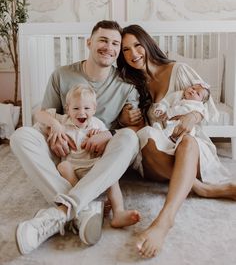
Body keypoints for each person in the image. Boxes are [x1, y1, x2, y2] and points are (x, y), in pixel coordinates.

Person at [10, 20, 142, 255]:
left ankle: (60, 213)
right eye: (103, 40)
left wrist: (108, 133)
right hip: (66, 150)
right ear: (89, 42)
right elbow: (43, 115)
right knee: (21, 136)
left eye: (115, 43)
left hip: (99, 157)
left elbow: (136, 128)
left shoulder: (126, 86)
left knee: (130, 140)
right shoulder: (62, 74)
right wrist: (54, 130)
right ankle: (81, 208)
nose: (109, 47)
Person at [117, 24, 236, 259]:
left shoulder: (179, 70)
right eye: (126, 50)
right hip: (158, 154)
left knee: (188, 143)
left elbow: (206, 101)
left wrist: (193, 115)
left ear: (148, 44)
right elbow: (125, 122)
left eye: (137, 45)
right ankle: (203, 189)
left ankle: (164, 220)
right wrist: (123, 117)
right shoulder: (131, 84)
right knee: (145, 138)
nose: (133, 54)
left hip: (187, 149)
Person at [35, 83, 141, 236]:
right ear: (67, 108)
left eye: (87, 108)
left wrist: (101, 138)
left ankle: (118, 212)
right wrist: (55, 125)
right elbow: (40, 114)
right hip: (73, 169)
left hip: (94, 168)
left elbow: (109, 149)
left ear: (94, 108)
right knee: (63, 166)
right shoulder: (64, 121)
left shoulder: (98, 125)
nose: (81, 113)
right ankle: (88, 204)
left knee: (112, 177)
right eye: (76, 108)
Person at [152, 81, 210, 146]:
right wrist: (161, 108)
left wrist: (169, 113)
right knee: (169, 126)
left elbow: (182, 110)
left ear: (201, 101)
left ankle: (165, 135)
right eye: (193, 88)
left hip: (185, 126)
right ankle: (161, 133)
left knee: (186, 132)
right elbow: (166, 102)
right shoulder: (178, 94)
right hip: (170, 121)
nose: (193, 91)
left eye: (198, 94)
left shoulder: (196, 105)